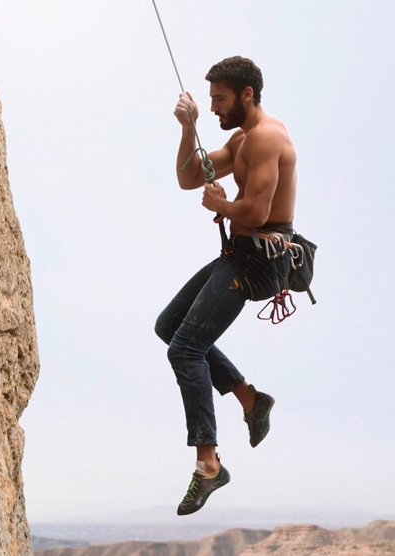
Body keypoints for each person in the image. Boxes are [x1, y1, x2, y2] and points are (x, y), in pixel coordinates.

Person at [154, 56, 299, 516]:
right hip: (239, 255)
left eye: (219, 99)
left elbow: (256, 213)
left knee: (185, 348)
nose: (214, 107)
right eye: (211, 100)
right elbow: (188, 177)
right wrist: (187, 127)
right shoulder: (240, 140)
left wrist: (222, 202)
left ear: (247, 95)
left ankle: (209, 464)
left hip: (260, 264)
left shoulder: (266, 139)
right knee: (170, 327)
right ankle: (250, 399)